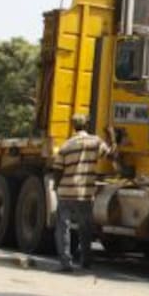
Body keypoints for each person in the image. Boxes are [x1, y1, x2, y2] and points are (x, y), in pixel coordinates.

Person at [51, 112, 109, 272]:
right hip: (85, 192)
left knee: (63, 227)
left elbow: (57, 170)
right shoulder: (96, 142)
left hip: (66, 192)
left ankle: (65, 263)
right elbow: (109, 154)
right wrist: (112, 136)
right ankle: (86, 260)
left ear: (73, 126)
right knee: (85, 227)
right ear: (87, 125)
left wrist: (57, 186)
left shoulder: (66, 146)